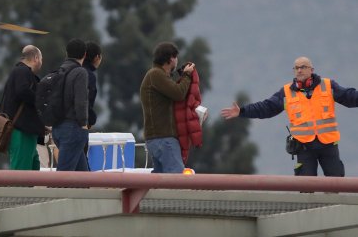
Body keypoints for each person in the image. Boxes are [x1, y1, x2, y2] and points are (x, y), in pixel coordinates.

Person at [221, 56, 358, 177]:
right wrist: (242, 111)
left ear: (311, 70)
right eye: (296, 68)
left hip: (328, 145)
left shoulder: (327, 86)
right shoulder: (287, 92)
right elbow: (266, 107)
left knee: (335, 185)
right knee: (306, 191)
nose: (299, 70)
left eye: (303, 67)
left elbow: (349, 96)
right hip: (304, 148)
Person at [140, 42, 195, 173]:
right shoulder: (156, 74)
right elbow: (178, 93)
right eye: (176, 57)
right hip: (164, 139)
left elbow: (171, 88)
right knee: (176, 182)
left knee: (160, 184)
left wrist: (181, 75)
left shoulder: (156, 76)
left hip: (157, 139)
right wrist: (187, 76)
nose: (177, 60)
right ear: (171, 58)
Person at [1, 45, 45, 170]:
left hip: (26, 132)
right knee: (21, 172)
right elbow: (22, 91)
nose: (41, 63)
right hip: (22, 131)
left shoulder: (19, 72)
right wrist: (41, 100)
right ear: (36, 58)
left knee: (32, 166)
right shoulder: (22, 71)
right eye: (41, 59)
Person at [51, 38, 89, 171]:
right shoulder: (80, 72)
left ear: (66, 54)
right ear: (84, 55)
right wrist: (84, 124)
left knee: (83, 178)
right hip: (73, 129)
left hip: (57, 128)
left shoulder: (59, 71)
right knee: (63, 178)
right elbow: (81, 101)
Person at [82, 41, 102, 160]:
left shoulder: (72, 71)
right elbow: (86, 102)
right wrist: (91, 119)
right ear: (97, 57)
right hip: (80, 127)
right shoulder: (88, 75)